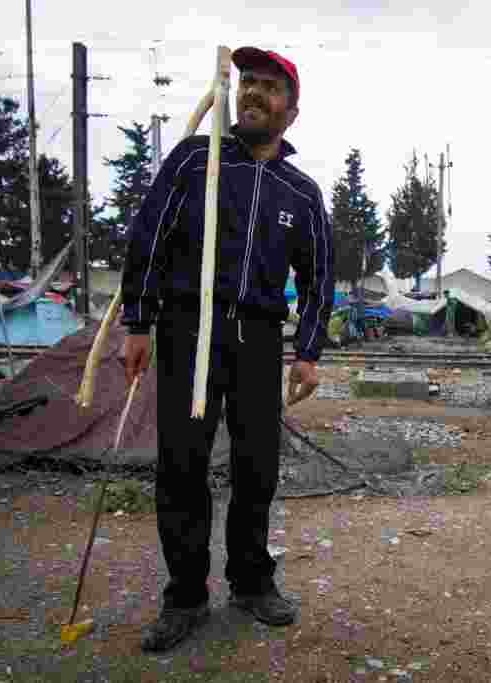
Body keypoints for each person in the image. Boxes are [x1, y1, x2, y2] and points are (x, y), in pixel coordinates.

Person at [120, 47, 334, 652]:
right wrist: (138, 323)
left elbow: (320, 278)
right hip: (188, 330)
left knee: (256, 466)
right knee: (182, 466)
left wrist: (308, 352)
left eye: (270, 87)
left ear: (291, 112)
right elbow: (150, 235)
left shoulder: (301, 192)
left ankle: (250, 581)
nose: (254, 92)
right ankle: (186, 596)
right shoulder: (198, 160)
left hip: (258, 340)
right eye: (248, 82)